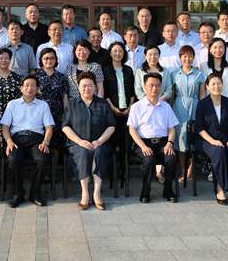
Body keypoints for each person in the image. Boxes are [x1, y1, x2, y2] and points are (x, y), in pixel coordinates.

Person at [62, 72, 116, 210]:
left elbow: (111, 126)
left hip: (100, 143)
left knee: (99, 152)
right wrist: (79, 141)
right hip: (77, 144)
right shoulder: (72, 104)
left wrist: (99, 141)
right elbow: (65, 126)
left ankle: (97, 192)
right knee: (84, 152)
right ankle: (85, 192)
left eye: (90, 85)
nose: (87, 88)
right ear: (78, 88)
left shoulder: (103, 104)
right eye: (84, 86)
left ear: (95, 87)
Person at [1, 75, 55, 208]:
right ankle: (17, 193)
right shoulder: (12, 104)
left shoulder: (43, 105)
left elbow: (49, 127)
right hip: (17, 139)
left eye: (33, 86)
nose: (29, 88)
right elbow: (5, 127)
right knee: (13, 159)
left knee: (42, 159)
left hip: (36, 139)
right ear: (21, 88)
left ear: (37, 89)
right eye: (26, 85)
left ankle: (35, 193)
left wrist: (45, 142)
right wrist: (9, 141)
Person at [127, 72, 179, 203]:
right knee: (148, 159)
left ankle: (168, 190)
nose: (154, 88)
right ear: (144, 87)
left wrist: (170, 143)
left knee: (171, 158)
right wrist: (143, 146)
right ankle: (145, 192)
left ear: (161, 87)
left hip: (163, 143)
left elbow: (172, 128)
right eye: (151, 85)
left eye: (157, 85)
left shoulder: (166, 107)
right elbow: (132, 129)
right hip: (143, 143)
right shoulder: (137, 107)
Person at [195, 74, 228, 205]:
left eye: (219, 83)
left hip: (225, 139)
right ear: (207, 86)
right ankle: (220, 188)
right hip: (206, 141)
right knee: (219, 151)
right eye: (213, 84)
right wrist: (212, 141)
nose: (216, 86)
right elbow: (199, 128)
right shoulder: (202, 104)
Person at [171, 45, 206, 181]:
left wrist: (202, 112)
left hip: (194, 106)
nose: (187, 59)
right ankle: (182, 169)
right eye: (184, 56)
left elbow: (202, 96)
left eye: (190, 56)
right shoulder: (174, 74)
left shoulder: (199, 74)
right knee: (180, 139)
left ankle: (190, 169)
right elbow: (171, 94)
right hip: (178, 107)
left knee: (192, 138)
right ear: (180, 58)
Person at [102, 41, 135, 179]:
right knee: (111, 142)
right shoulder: (105, 70)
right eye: (115, 51)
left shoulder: (128, 70)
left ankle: (124, 172)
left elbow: (132, 91)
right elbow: (104, 93)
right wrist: (113, 108)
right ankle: (111, 173)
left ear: (124, 53)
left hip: (127, 111)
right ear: (110, 53)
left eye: (120, 51)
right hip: (111, 111)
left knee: (125, 143)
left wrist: (130, 107)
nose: (117, 53)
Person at [36, 48, 69, 136]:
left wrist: (66, 113)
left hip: (57, 113)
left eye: (52, 58)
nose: (49, 60)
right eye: (46, 58)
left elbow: (64, 96)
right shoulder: (35, 76)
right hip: (39, 113)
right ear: (41, 60)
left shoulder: (61, 77)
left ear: (56, 60)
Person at [199, 38, 228, 108]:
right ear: (210, 50)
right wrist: (203, 106)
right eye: (215, 47)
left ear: (225, 50)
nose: (218, 50)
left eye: (221, 47)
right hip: (210, 104)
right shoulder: (203, 66)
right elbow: (203, 90)